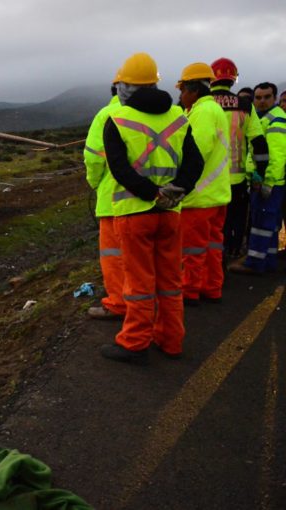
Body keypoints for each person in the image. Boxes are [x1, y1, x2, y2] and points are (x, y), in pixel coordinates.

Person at [99, 52, 203, 364]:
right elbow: (195, 163)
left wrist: (152, 193)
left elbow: (119, 169)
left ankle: (134, 342)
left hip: (135, 215)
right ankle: (171, 340)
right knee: (170, 281)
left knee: (139, 283)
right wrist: (175, 191)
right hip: (170, 214)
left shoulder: (116, 120)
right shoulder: (179, 117)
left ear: (126, 87)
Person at [175, 62, 231, 306]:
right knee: (212, 247)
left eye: (182, 90)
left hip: (199, 196)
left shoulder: (202, 112)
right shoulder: (214, 110)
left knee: (193, 250)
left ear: (193, 89)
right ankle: (212, 288)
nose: (180, 96)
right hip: (216, 194)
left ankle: (190, 291)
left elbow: (194, 153)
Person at [210, 58, 268, 261]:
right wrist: (260, 172)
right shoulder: (245, 105)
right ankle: (232, 250)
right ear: (233, 80)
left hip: (207, 182)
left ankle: (215, 261)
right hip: (237, 180)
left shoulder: (201, 104)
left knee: (211, 227)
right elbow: (259, 142)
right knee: (235, 220)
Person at [229, 82, 286, 274]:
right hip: (263, 179)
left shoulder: (276, 119)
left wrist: (267, 181)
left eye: (266, 97)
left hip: (268, 181)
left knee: (261, 223)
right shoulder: (262, 118)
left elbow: (277, 155)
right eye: (258, 98)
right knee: (268, 224)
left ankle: (254, 263)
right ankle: (268, 260)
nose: (261, 101)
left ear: (275, 98)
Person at [84, 71, 126, 320]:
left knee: (113, 255)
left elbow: (92, 156)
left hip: (112, 200)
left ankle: (119, 303)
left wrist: (95, 183)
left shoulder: (106, 115)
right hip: (154, 201)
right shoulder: (166, 114)